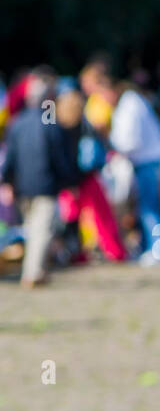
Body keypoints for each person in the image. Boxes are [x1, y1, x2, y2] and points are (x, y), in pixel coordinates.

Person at [84, 68, 160, 262]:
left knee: (150, 206)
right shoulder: (128, 103)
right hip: (141, 161)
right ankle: (151, 247)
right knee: (145, 206)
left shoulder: (130, 104)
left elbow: (130, 141)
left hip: (147, 161)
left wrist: (111, 146)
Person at [0, 73, 79, 286]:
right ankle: (32, 273)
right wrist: (70, 183)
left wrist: (7, 182)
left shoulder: (16, 124)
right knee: (41, 231)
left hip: (23, 187)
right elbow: (60, 159)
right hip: (44, 185)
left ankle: (37, 270)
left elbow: (10, 157)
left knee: (33, 230)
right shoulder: (50, 124)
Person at [54, 88, 127, 263]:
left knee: (71, 220)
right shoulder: (85, 125)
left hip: (68, 181)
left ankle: (75, 253)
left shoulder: (58, 128)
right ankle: (115, 251)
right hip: (87, 177)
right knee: (103, 218)